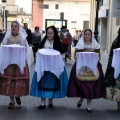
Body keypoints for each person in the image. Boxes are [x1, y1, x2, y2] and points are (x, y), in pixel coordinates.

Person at [67, 29, 105, 113]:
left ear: (91, 36)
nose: (87, 36)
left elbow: (99, 57)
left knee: (91, 87)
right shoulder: (80, 45)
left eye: (89, 34)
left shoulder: (95, 45)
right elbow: (75, 57)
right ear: (84, 35)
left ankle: (88, 106)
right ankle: (81, 99)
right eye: (86, 34)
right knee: (82, 86)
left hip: (93, 67)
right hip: (82, 67)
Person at [30, 26, 68, 109]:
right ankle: (42, 103)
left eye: (51, 33)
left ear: (54, 34)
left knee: (52, 85)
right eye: (48, 33)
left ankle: (50, 102)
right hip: (44, 67)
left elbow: (62, 55)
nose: (49, 35)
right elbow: (38, 53)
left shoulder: (57, 43)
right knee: (42, 84)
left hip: (53, 68)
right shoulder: (43, 43)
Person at [0, 21, 31, 109]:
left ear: (18, 28)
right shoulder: (7, 37)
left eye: (15, 26)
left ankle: (17, 95)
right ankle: (11, 101)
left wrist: (25, 59)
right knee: (9, 80)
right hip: (10, 62)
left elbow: (26, 50)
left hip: (19, 62)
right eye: (12, 26)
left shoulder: (22, 37)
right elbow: (3, 48)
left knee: (18, 81)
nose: (14, 28)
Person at [105, 28, 120, 112]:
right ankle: (119, 105)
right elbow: (112, 55)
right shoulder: (117, 40)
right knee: (118, 87)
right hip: (117, 67)